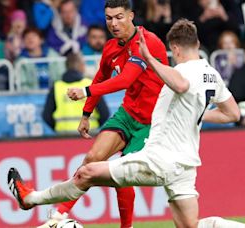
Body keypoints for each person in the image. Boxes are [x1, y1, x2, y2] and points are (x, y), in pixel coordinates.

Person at [7, 19, 245, 228]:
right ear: (197, 43)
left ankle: (31, 199)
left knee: (87, 173)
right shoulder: (212, 74)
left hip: (160, 159)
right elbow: (232, 114)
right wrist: (197, 114)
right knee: (190, 225)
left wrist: (150, 59)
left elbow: (180, 84)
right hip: (186, 165)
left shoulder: (182, 72)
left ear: (175, 49)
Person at [39, 1, 169, 227]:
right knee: (91, 160)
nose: (114, 23)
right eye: (109, 18)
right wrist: (86, 114)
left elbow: (125, 80)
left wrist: (84, 91)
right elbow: (100, 78)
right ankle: (58, 215)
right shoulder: (111, 47)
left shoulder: (145, 43)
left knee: (122, 175)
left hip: (153, 120)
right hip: (127, 113)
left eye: (119, 17)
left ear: (131, 16)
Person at [42, 52, 110, 133]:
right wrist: (93, 127)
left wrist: (58, 128)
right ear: (80, 65)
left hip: (63, 136)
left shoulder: (56, 87)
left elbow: (46, 115)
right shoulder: (91, 85)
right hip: (88, 133)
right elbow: (104, 113)